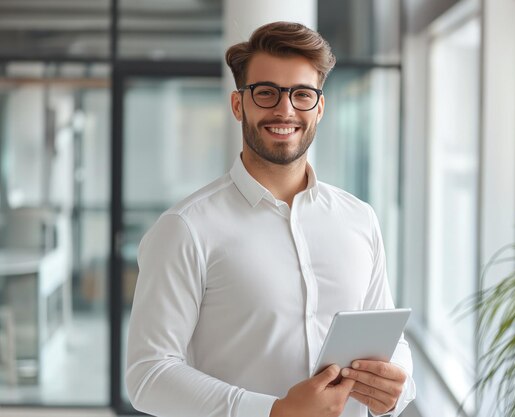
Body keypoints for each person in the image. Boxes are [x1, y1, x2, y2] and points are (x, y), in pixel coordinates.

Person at [125, 21, 416, 417]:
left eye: (302, 94)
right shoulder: (186, 228)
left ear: (321, 107)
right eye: (266, 93)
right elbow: (148, 375)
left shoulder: (359, 219)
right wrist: (274, 411)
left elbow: (388, 336)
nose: (285, 109)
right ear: (237, 104)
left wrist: (399, 380)